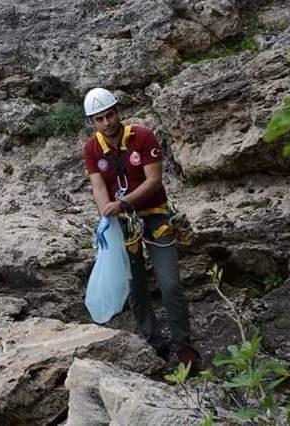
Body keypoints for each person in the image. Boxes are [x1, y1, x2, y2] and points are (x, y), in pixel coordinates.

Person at [82, 87, 201, 369]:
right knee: (135, 286)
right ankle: (154, 344)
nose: (107, 122)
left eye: (110, 115)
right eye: (99, 119)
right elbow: (98, 186)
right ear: (93, 122)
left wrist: (121, 204)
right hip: (122, 223)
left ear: (118, 112)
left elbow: (154, 181)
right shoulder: (92, 148)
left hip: (154, 217)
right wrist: (105, 216)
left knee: (170, 283)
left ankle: (183, 348)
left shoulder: (142, 137)